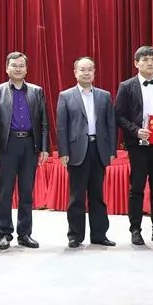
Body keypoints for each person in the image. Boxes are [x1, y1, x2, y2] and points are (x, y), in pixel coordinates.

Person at [114, 46, 153, 246]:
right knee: (137, 188)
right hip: (138, 145)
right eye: (145, 59)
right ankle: (135, 230)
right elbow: (118, 115)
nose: (150, 63)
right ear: (136, 63)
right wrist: (135, 130)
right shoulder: (126, 86)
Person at [0, 52, 49, 250]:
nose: (18, 69)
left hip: (30, 145)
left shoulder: (36, 91)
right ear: (7, 68)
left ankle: (25, 234)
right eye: (14, 65)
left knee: (26, 192)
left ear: (26, 69)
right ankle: (4, 233)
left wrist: (44, 148)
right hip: (8, 145)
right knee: (5, 192)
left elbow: (44, 122)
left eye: (22, 65)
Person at [56, 57, 117, 247]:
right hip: (76, 151)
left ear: (94, 72)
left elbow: (111, 125)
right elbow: (62, 127)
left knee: (97, 195)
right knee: (77, 196)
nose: (86, 73)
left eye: (90, 69)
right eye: (82, 69)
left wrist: (111, 149)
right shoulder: (66, 96)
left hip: (98, 149)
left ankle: (99, 235)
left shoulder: (104, 96)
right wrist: (63, 151)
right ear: (75, 72)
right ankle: (75, 235)